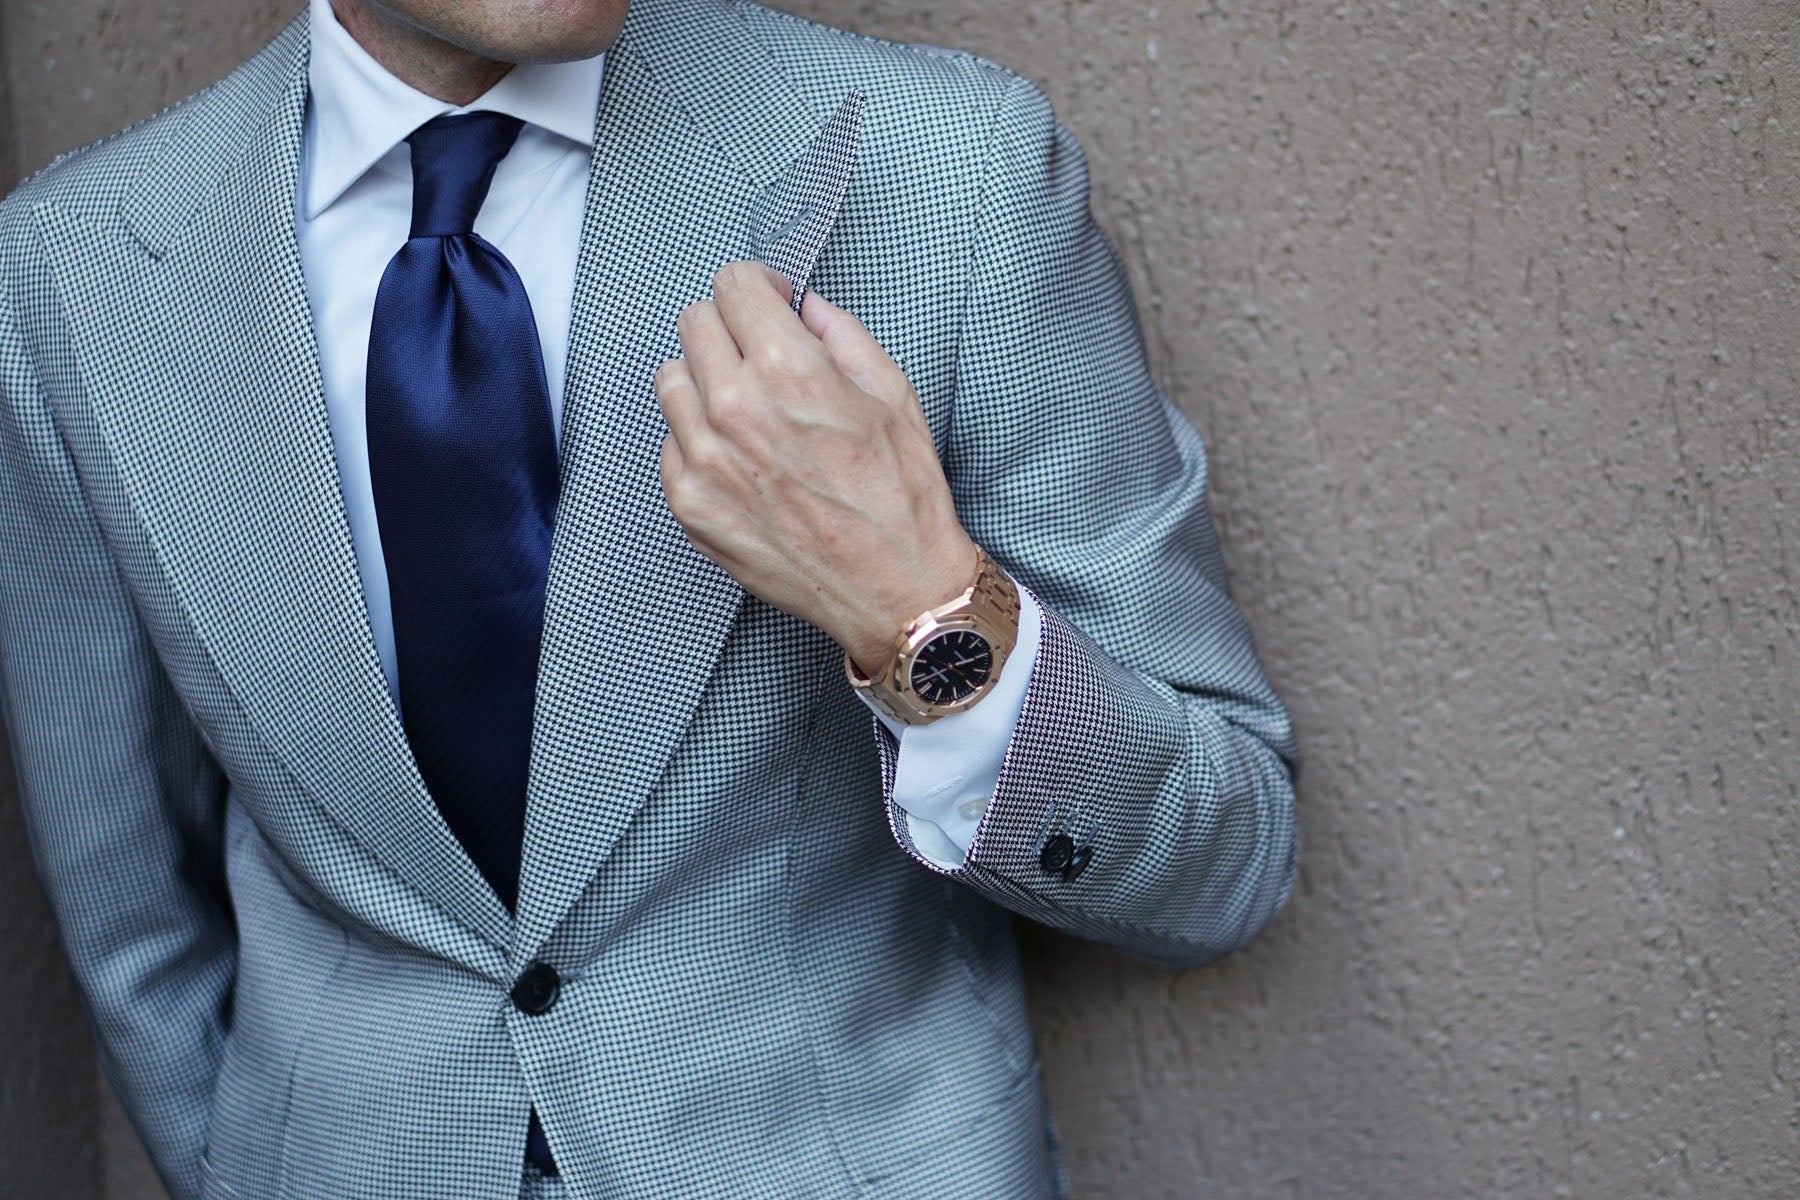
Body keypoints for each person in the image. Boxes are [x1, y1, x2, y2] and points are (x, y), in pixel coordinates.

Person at [0, 0, 1300, 1194]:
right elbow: (135, 931)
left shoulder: (951, 170)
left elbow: (1226, 855)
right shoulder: (68, 273)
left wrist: (920, 611)